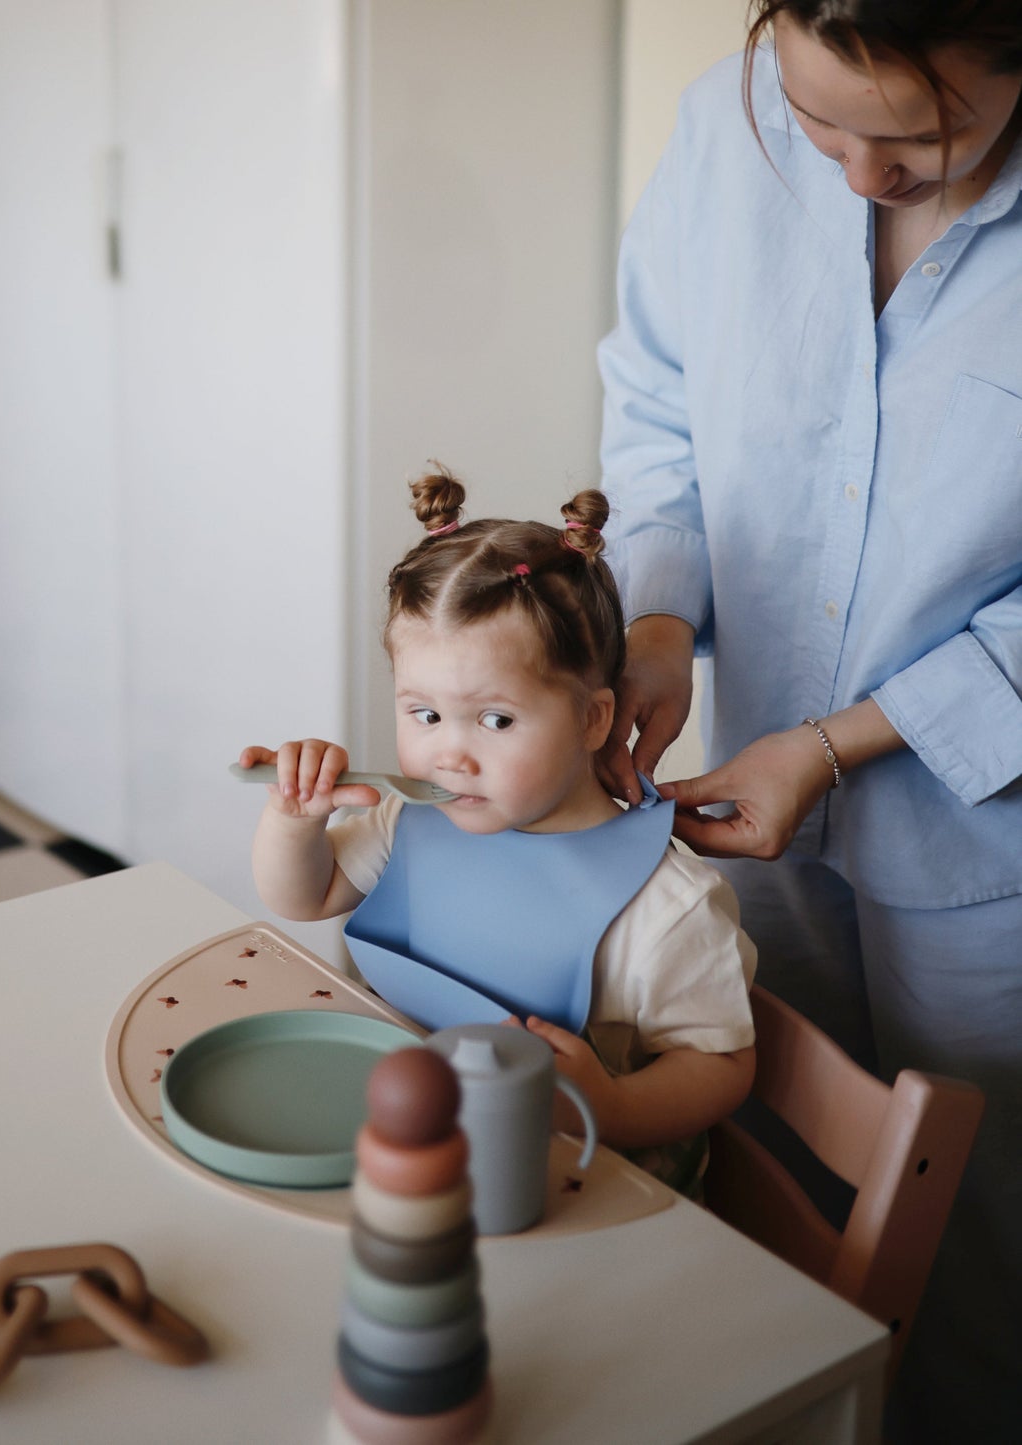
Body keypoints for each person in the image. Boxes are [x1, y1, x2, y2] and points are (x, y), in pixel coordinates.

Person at [596, 3, 1022, 1438]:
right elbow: (656, 397)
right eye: (817, 117)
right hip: (755, 767)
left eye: (917, 134)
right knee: (769, 1163)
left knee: (973, 1248)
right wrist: (658, 619)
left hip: (986, 836)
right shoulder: (726, 122)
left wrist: (843, 743)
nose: (852, 172)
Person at [236, 468, 757, 1198]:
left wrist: (610, 1105)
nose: (449, 754)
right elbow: (305, 894)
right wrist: (294, 819)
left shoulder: (666, 909)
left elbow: (720, 1062)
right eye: (423, 714)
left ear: (591, 719)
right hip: (407, 1152)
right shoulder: (409, 820)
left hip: (580, 1194)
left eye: (495, 719)